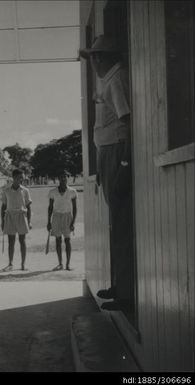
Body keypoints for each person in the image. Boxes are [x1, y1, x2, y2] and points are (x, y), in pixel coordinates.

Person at [80, 35, 134, 311]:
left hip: (116, 153)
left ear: (103, 57)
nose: (93, 62)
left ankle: (125, 293)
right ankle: (119, 285)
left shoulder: (116, 80)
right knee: (116, 224)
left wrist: (124, 164)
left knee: (122, 224)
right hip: (107, 154)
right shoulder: (109, 79)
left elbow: (128, 125)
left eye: (94, 57)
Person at [1, 169, 32, 271]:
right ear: (13, 178)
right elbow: (3, 206)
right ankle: (10, 264)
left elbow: (28, 206)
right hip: (10, 216)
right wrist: (2, 221)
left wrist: (29, 221)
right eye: (19, 177)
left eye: (22, 177)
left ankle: (23, 264)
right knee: (11, 241)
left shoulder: (25, 190)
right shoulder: (6, 190)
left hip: (21, 216)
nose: (21, 179)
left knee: (22, 241)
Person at [47, 171, 77, 271]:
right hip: (56, 217)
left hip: (68, 216)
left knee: (67, 240)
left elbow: (75, 208)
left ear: (67, 178)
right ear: (58, 179)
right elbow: (50, 207)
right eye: (61, 177)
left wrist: (73, 222)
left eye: (65, 177)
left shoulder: (72, 191)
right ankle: (60, 263)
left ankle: (68, 264)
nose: (63, 179)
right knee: (58, 240)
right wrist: (48, 221)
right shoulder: (52, 192)